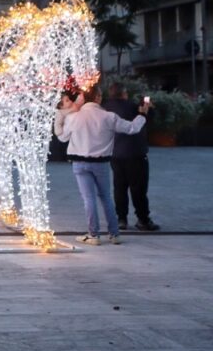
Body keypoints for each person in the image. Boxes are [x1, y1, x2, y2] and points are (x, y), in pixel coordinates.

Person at [54, 83, 150, 246]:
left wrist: (60, 116)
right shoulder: (109, 116)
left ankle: (94, 234)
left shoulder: (73, 117)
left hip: (79, 162)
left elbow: (62, 138)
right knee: (105, 197)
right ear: (98, 97)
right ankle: (114, 234)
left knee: (88, 199)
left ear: (83, 98)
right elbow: (132, 128)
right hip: (101, 163)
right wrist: (142, 115)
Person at [104, 83, 159, 231]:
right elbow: (148, 119)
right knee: (138, 188)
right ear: (124, 93)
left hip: (115, 153)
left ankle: (121, 219)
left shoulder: (105, 108)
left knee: (119, 187)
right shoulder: (134, 106)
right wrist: (148, 106)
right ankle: (143, 219)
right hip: (135, 153)